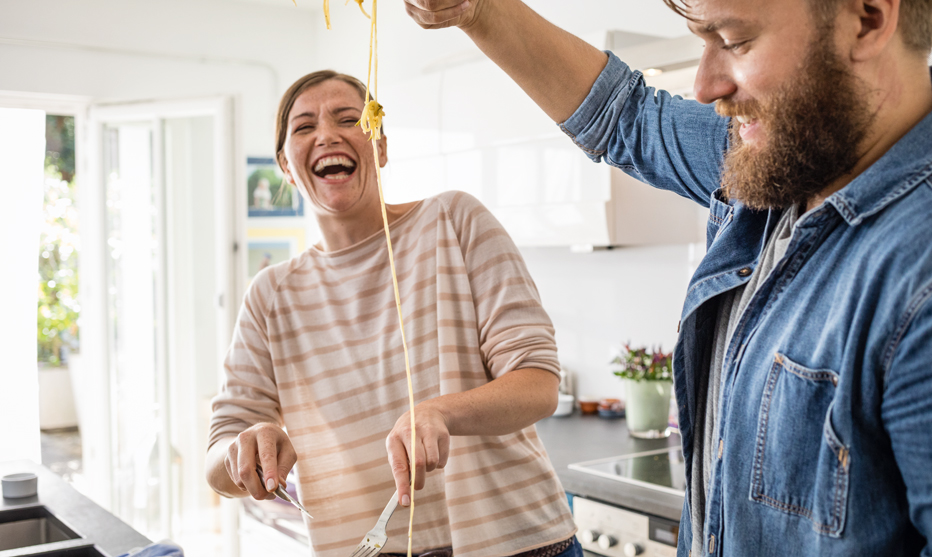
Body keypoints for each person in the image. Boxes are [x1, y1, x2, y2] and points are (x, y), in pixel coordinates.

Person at [405, 0, 932, 555]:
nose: (705, 86)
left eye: (734, 41)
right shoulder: (783, 160)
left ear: (868, 19)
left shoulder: (914, 273)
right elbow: (625, 116)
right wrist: (476, 10)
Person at [205, 70, 580, 557]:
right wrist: (248, 446)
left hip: (519, 545)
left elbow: (538, 383)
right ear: (285, 164)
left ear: (380, 146)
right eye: (303, 127)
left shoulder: (454, 220)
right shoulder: (271, 295)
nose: (327, 134)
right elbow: (218, 459)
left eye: (349, 119)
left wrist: (440, 411)